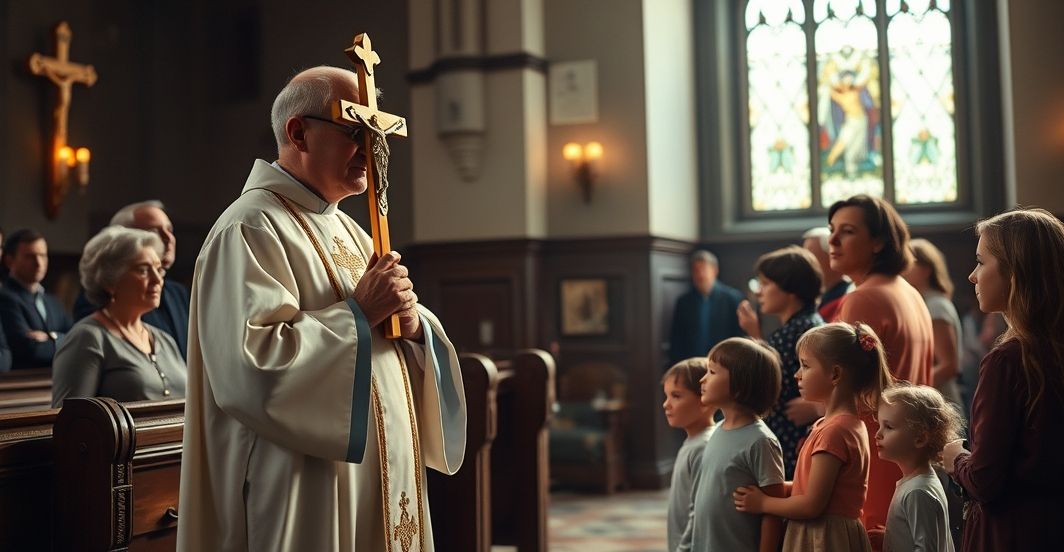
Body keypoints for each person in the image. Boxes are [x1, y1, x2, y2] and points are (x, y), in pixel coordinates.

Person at [177, 66, 466, 551]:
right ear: (298, 133)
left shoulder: (353, 231)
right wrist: (359, 314)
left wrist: (416, 329)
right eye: (356, 132)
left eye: (377, 136)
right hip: (302, 486)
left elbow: (389, 340)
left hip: (377, 479)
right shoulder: (249, 228)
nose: (372, 151)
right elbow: (252, 368)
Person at [943, 208, 1064, 552]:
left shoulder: (1009, 360)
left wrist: (955, 457)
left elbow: (984, 480)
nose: (972, 276)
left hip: (1012, 533)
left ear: (1016, 272)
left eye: (981, 262)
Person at [828, 194, 934, 545]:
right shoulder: (910, 292)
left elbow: (846, 390)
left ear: (878, 241)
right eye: (831, 230)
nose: (832, 240)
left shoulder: (863, 298)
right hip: (907, 455)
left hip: (872, 454)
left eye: (847, 231)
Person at [733, 322, 892, 552]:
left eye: (805, 366)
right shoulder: (837, 424)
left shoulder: (835, 431)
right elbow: (810, 488)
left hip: (823, 538)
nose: (797, 374)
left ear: (835, 374)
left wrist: (764, 502)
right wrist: (776, 487)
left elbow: (811, 505)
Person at [51, 226, 187, 407]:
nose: (157, 279)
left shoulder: (164, 339)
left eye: (158, 269)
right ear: (110, 280)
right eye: (143, 270)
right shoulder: (87, 338)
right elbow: (68, 419)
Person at [677, 337, 785, 551]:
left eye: (712, 372)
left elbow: (773, 512)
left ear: (739, 386)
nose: (702, 380)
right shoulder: (717, 430)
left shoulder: (761, 441)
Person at [737, 245, 825, 478]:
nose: (759, 292)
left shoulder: (796, 331)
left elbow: (764, 383)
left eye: (766, 284)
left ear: (791, 289)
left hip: (790, 440)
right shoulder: (808, 323)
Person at [74, 201, 190, 359]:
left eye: (170, 230)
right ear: (123, 240)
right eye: (154, 231)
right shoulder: (98, 296)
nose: (169, 238)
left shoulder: (179, 293)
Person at [877, 384, 961, 552]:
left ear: (920, 438)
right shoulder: (919, 482)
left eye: (889, 427)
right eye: (879, 425)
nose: (878, 434)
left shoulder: (917, 491)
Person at [661, 357, 716, 552]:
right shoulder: (694, 441)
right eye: (666, 396)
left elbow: (699, 512)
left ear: (704, 401)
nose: (666, 404)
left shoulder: (703, 447)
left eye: (676, 396)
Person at [0, 229, 73, 370]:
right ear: (9, 261)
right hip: (24, 380)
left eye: (43, 255)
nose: (39, 263)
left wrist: (51, 337)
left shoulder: (53, 302)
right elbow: (31, 350)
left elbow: (77, 339)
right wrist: (62, 340)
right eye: (30, 257)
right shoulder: (5, 298)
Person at [904, 238, 963, 406]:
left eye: (909, 262)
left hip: (941, 403)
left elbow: (949, 365)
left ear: (926, 270)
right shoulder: (927, 303)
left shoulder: (936, 306)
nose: (903, 268)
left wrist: (911, 391)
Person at [668, 250, 745, 366]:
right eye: (695, 270)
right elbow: (677, 339)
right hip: (692, 364)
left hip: (724, 364)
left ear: (714, 270)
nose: (700, 275)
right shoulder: (683, 301)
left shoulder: (733, 298)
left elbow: (740, 336)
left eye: (703, 269)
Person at [802, 227, 851, 321]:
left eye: (810, 254)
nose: (805, 261)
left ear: (831, 256)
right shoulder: (814, 297)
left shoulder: (848, 295)